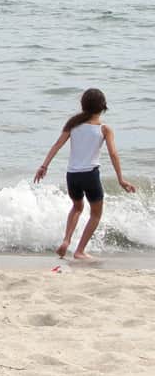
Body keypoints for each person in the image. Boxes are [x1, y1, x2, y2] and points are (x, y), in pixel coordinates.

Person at [34, 88, 134, 262]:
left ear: (83, 105)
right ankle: (79, 250)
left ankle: (66, 240)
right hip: (90, 175)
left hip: (72, 175)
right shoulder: (104, 129)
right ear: (103, 107)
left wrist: (44, 166)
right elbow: (113, 154)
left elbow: (57, 144)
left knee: (77, 207)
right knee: (95, 214)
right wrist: (121, 179)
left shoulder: (73, 125)